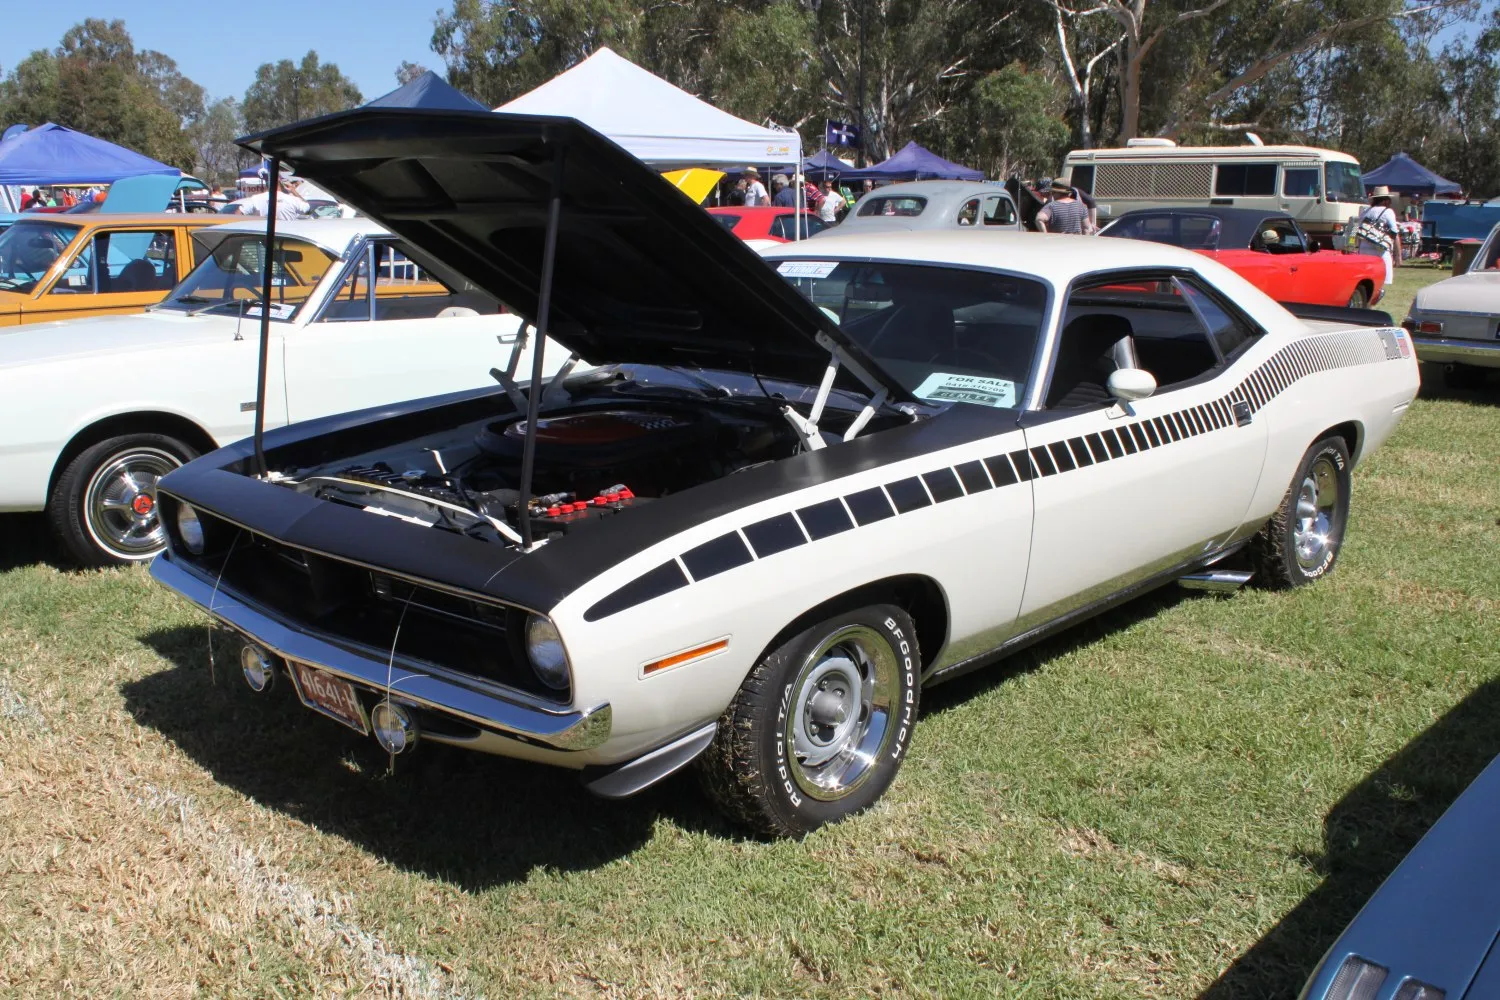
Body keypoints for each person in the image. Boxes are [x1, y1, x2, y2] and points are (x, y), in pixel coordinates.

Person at [1355, 185, 1401, 284]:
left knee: (1367, 278)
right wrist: (1398, 256)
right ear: (1386, 200)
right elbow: (1395, 233)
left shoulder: (1365, 212)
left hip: (1364, 248)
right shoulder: (1388, 212)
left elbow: (1358, 230)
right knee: (1383, 278)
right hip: (1380, 248)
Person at [242, 176, 311, 220]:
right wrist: (294, 191)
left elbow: (239, 213)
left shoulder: (256, 199)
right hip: (286, 236)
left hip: (265, 236)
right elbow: (307, 209)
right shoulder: (292, 199)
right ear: (282, 184)